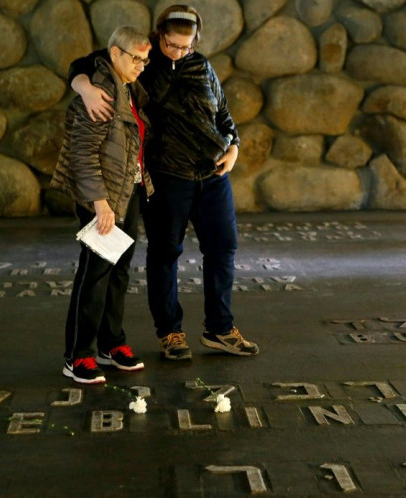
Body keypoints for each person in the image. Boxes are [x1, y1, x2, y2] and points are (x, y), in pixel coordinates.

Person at [69, 4, 259, 361]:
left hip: (213, 176)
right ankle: (170, 332)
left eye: (186, 46)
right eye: (173, 45)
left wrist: (233, 146)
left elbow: (223, 114)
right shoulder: (142, 63)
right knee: (164, 254)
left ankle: (220, 328)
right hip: (169, 178)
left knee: (223, 249)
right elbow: (87, 64)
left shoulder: (201, 66)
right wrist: (84, 88)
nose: (179, 52)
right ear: (160, 37)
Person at [50, 26, 153, 384]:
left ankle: (112, 345)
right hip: (104, 199)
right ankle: (78, 355)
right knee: (94, 275)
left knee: (119, 271)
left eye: (146, 58)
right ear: (114, 55)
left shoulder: (128, 87)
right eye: (136, 58)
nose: (142, 65)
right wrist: (100, 204)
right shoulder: (100, 92)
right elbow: (82, 153)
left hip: (130, 191)